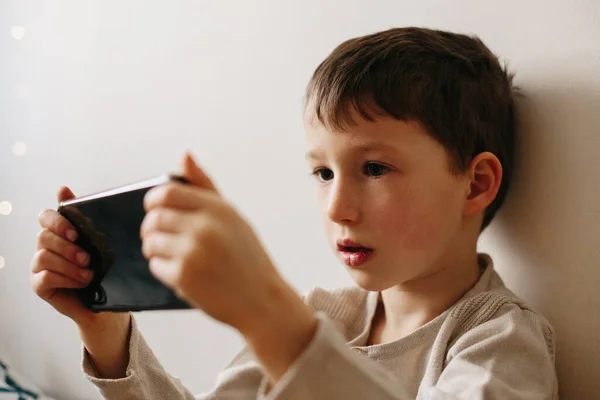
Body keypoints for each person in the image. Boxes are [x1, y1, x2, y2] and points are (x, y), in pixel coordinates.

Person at [30, 27, 558, 399]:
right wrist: (105, 335)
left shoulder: (498, 343)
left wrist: (266, 311)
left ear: (476, 183)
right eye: (323, 173)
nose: (337, 208)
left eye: (374, 168)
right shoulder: (323, 314)